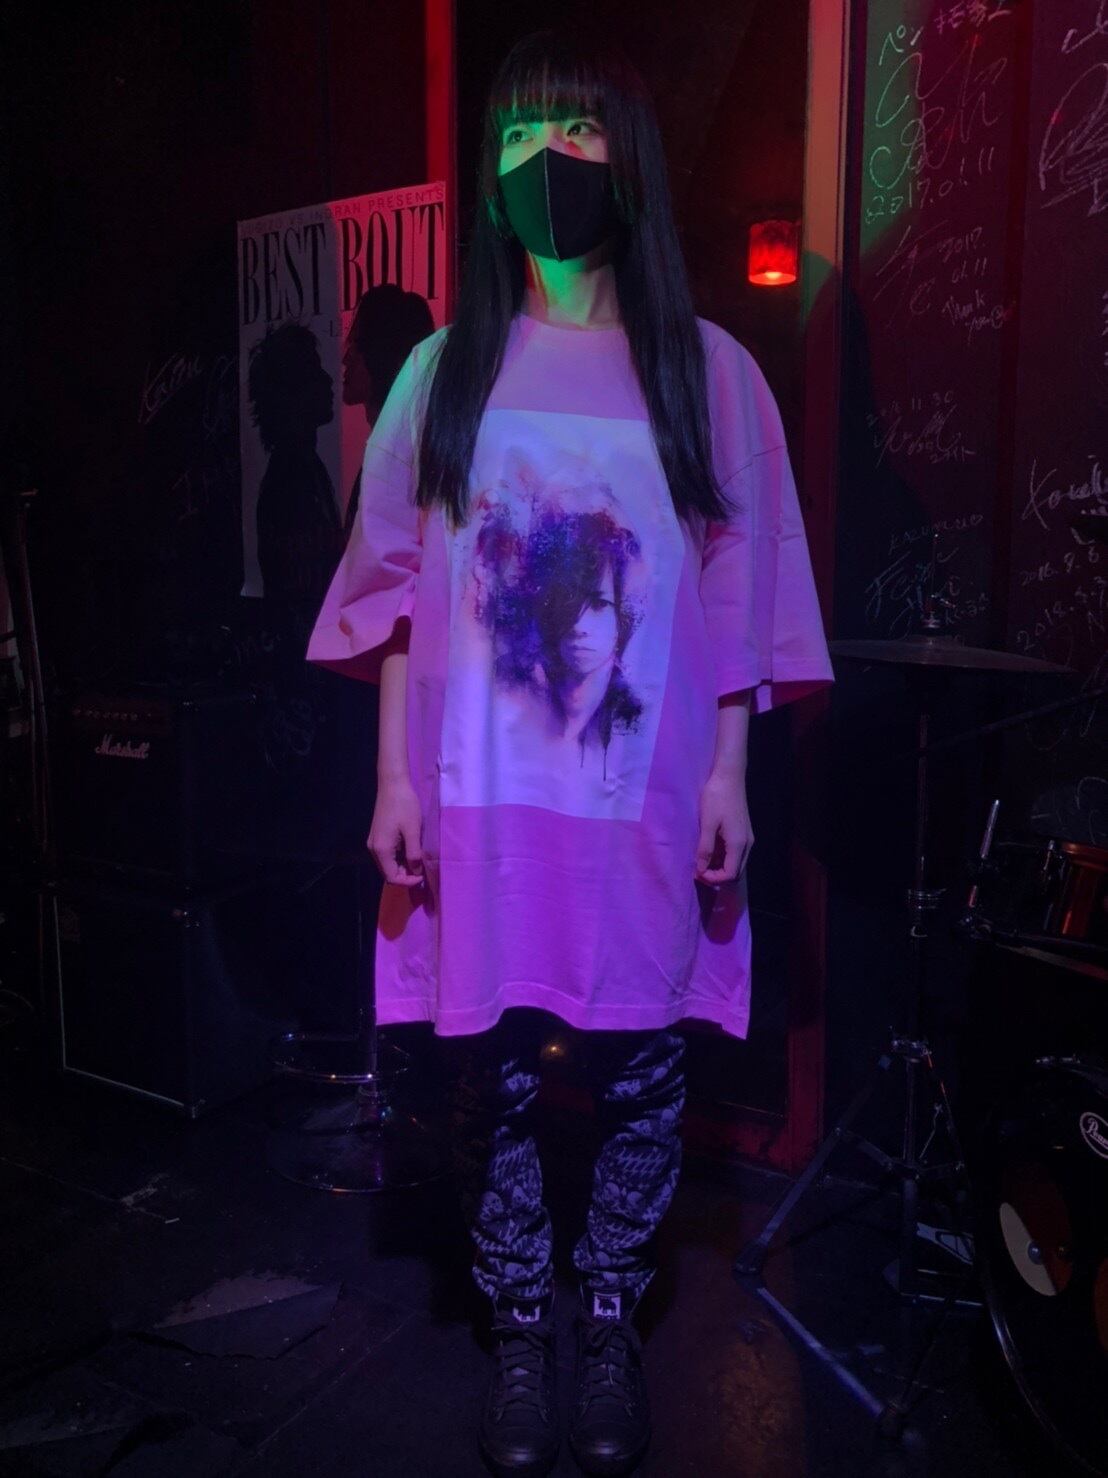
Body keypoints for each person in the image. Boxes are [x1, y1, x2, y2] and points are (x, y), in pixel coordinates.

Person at [306, 25, 834, 1478]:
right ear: (492, 171)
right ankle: (523, 1323)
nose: (551, 159)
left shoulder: (711, 375)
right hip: (479, 812)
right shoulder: (442, 375)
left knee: (646, 1069)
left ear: (631, 159)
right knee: (487, 1073)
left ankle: (608, 1313)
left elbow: (737, 592)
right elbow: (395, 600)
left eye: (579, 129)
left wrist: (728, 775)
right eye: (521, 132)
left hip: (642, 807)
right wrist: (392, 776)